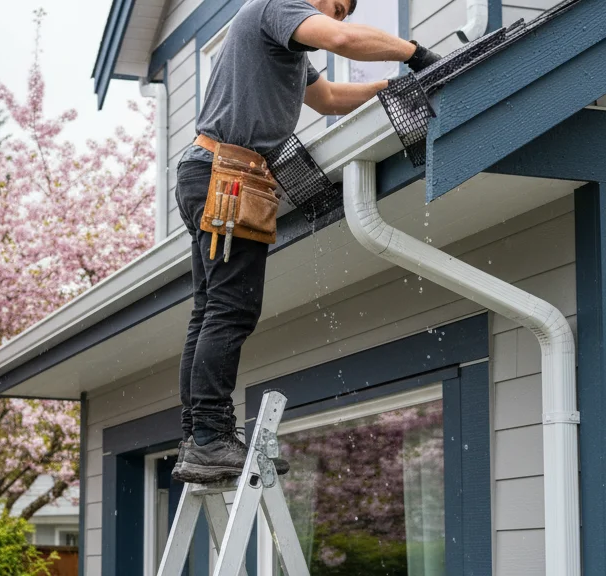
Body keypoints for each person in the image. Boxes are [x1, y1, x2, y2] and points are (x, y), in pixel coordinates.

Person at [171, 0, 441, 484]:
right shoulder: (276, 6)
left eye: (343, 12)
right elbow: (341, 40)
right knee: (231, 308)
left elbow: (330, 99)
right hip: (226, 175)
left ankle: (199, 438)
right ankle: (210, 436)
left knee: (210, 308)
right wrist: (415, 53)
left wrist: (392, 88)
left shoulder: (285, 44)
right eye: (337, 4)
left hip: (210, 172)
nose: (337, 17)